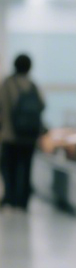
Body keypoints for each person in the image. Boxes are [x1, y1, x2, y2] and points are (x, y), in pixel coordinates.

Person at [0, 53, 45, 212]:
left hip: (9, 135)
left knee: (8, 168)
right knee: (26, 169)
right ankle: (23, 201)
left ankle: (10, 198)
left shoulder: (7, 84)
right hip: (28, 137)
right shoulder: (32, 85)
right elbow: (42, 105)